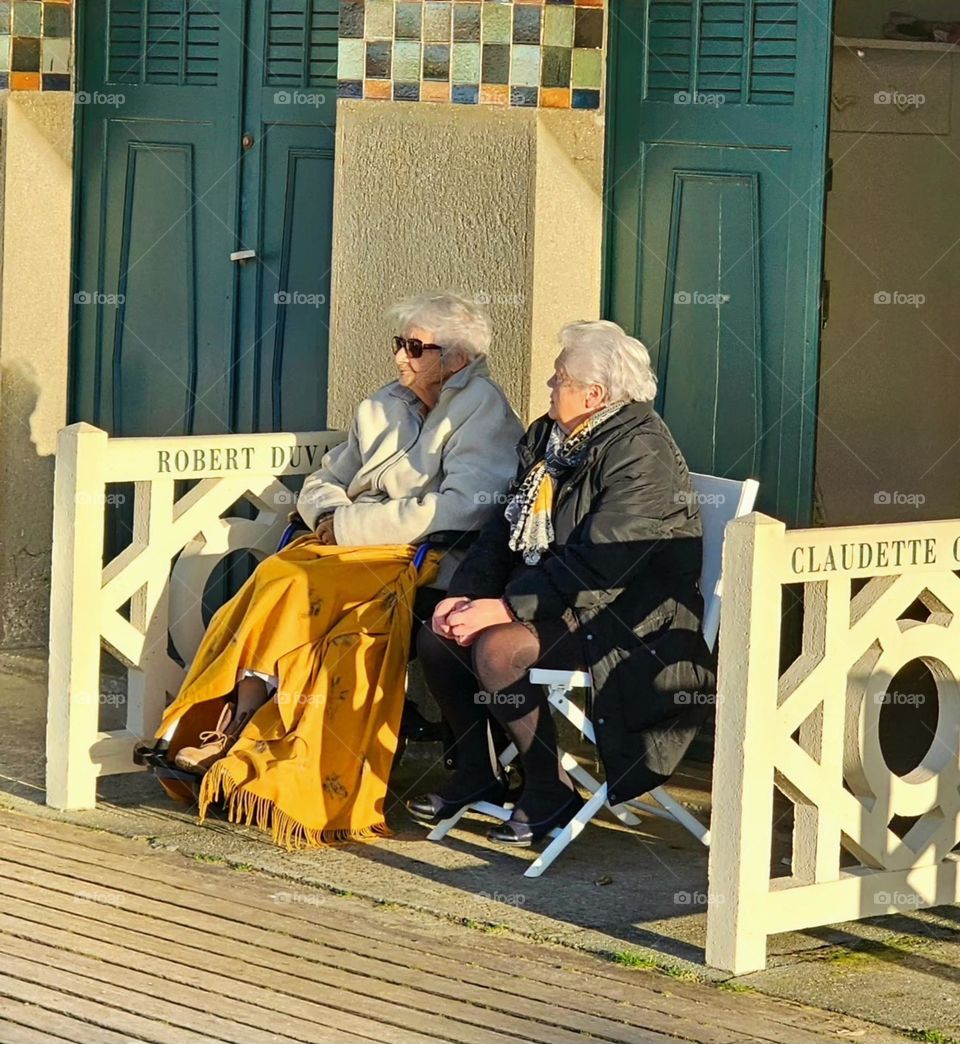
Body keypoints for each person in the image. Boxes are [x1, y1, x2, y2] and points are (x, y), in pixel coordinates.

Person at [156, 291, 524, 847]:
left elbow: (465, 507)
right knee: (276, 577)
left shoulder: (483, 409)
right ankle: (241, 723)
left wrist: (351, 526)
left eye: (415, 348)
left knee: (291, 581)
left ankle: (258, 737)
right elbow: (324, 480)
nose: (400, 357)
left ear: (458, 359)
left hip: (426, 557)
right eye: (399, 344)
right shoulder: (381, 405)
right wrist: (329, 514)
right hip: (346, 547)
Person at [407, 319, 716, 845]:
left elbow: (602, 565)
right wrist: (466, 595)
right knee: (439, 637)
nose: (550, 385)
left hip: (628, 617)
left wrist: (505, 610)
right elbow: (503, 528)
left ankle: (548, 787)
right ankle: (478, 770)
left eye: (560, 378)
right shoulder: (551, 439)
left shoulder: (641, 453)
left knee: (499, 650)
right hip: (560, 598)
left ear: (594, 395)